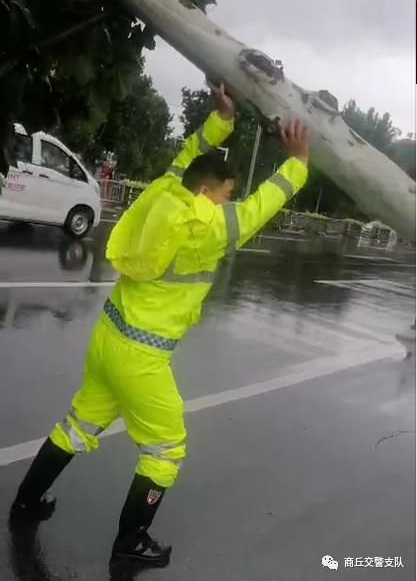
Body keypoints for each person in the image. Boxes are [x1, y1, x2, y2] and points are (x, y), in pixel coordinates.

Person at [10, 83, 309, 568]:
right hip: (143, 357)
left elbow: (190, 150)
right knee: (167, 449)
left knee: (77, 425)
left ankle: (25, 501)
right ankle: (131, 541)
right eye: (226, 194)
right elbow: (257, 211)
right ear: (208, 191)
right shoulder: (203, 226)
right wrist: (297, 163)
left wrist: (223, 120)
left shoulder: (165, 189)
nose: (228, 202)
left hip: (109, 335)